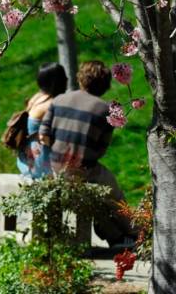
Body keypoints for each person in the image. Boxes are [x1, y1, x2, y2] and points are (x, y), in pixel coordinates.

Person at [38, 60, 136, 247]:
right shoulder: (105, 109)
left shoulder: (58, 100)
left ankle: (116, 236)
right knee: (113, 194)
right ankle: (133, 232)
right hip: (84, 168)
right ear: (105, 84)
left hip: (57, 166)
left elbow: (44, 135)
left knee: (94, 197)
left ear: (81, 79)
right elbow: (101, 149)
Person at [17, 62, 68, 179]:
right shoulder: (52, 104)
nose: (67, 78)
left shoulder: (37, 97)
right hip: (43, 166)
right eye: (63, 77)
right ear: (57, 82)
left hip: (27, 159)